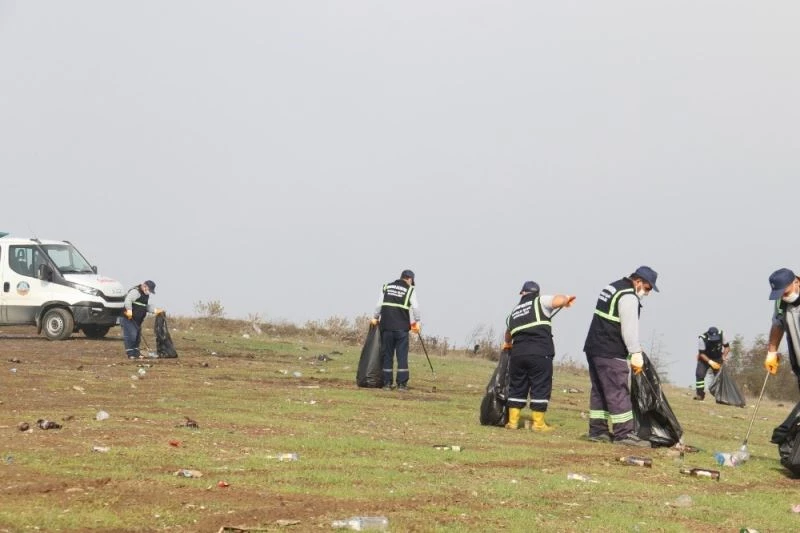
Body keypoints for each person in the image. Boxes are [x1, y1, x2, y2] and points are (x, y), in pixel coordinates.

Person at [583, 266, 659, 447]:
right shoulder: (628, 297)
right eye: (647, 288)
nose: (647, 293)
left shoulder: (613, 287)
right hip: (611, 350)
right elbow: (629, 329)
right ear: (638, 281)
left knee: (600, 390)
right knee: (618, 391)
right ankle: (624, 434)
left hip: (594, 347)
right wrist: (635, 353)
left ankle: (598, 430)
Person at [502, 281, 575, 431]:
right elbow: (558, 300)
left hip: (518, 355)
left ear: (522, 293)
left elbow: (508, 335)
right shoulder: (540, 301)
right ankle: (538, 424)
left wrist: (508, 344)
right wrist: (566, 298)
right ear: (537, 292)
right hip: (540, 353)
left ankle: (513, 422)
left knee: (517, 386)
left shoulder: (513, 313)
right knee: (540, 385)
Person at [371, 270, 420, 391]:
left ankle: (387, 383)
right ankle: (402, 385)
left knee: (387, 355)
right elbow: (416, 307)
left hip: (386, 327)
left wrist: (375, 318)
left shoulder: (387, 287)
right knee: (402, 356)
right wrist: (417, 322)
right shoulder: (410, 290)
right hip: (401, 329)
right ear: (409, 279)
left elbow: (379, 305)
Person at [764, 268, 800, 390]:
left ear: (796, 282)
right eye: (780, 295)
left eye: (786, 293)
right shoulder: (781, 303)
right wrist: (771, 353)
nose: (783, 297)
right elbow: (778, 325)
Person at [121, 280, 164, 359]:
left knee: (137, 337)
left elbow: (145, 306)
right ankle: (130, 354)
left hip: (138, 320)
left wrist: (155, 310)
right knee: (131, 335)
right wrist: (129, 311)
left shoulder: (145, 295)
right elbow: (128, 301)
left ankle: (136, 353)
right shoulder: (136, 292)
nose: (149, 292)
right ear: (144, 286)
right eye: (149, 290)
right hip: (129, 318)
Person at [693, 326, 730, 400]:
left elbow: (727, 347)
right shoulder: (702, 339)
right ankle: (700, 395)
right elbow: (701, 354)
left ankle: (720, 397)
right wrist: (710, 362)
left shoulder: (722, 335)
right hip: (704, 358)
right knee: (699, 374)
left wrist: (724, 356)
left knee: (719, 377)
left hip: (717, 358)